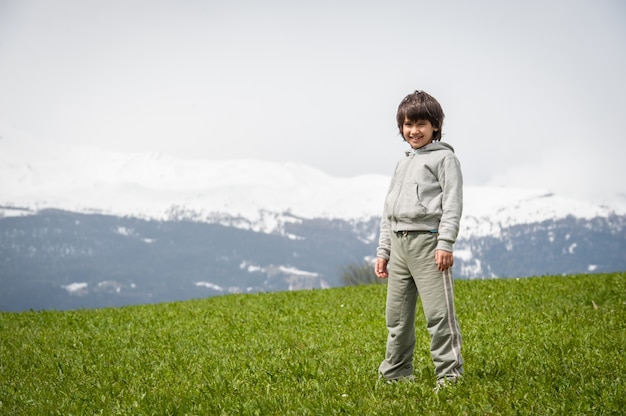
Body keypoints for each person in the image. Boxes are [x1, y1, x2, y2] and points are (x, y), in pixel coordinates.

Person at [375, 90, 464, 391]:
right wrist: (384, 250)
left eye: (421, 124)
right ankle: (395, 375)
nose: (414, 131)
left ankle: (449, 377)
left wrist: (445, 243)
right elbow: (389, 211)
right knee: (396, 318)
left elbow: (452, 203)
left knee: (439, 316)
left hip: (428, 245)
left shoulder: (445, 159)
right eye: (408, 124)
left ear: (435, 126)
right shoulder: (402, 164)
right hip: (398, 247)